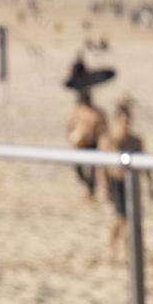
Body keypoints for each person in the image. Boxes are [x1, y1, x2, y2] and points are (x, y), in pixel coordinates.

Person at [99, 98, 149, 254]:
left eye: (127, 120)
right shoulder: (109, 139)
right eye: (122, 119)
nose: (125, 123)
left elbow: (145, 162)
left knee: (132, 217)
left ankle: (128, 250)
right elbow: (100, 166)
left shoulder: (135, 140)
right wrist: (103, 186)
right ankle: (113, 248)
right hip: (116, 181)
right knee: (121, 218)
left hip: (133, 182)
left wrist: (151, 184)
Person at [63, 58, 111, 202]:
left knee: (94, 170)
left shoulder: (95, 112)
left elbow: (103, 127)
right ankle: (89, 189)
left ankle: (91, 191)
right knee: (79, 169)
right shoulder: (78, 111)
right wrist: (72, 136)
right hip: (81, 143)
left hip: (92, 142)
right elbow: (70, 126)